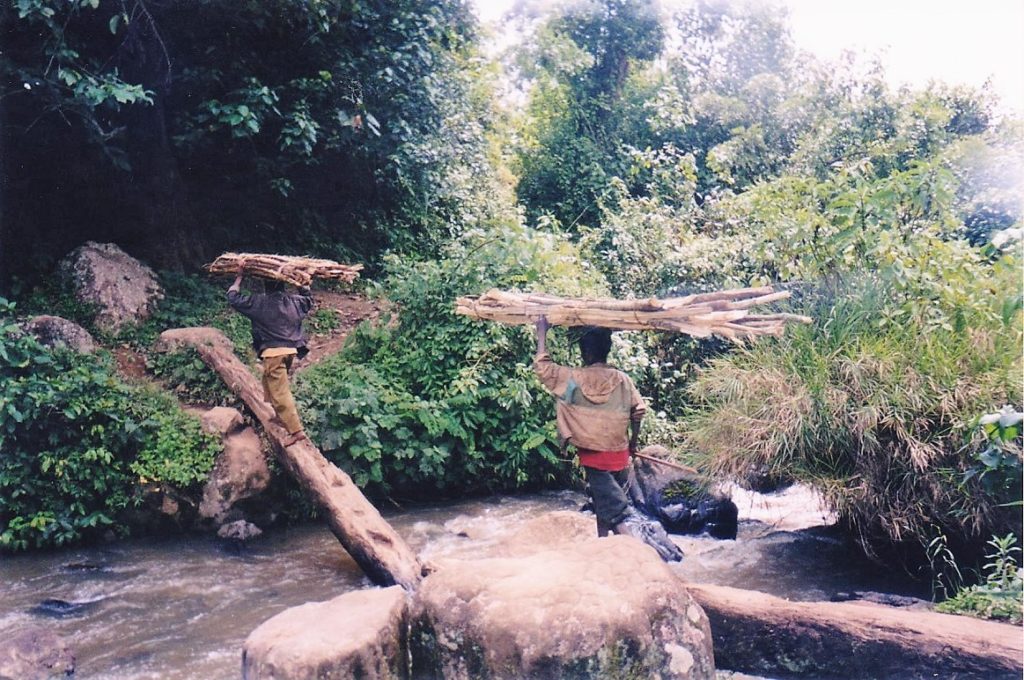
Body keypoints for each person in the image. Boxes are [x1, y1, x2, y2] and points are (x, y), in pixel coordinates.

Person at [533, 316, 682, 562]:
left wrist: (541, 333)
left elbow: (545, 370)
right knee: (605, 501)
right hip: (620, 454)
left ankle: (644, 556)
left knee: (615, 509)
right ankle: (603, 547)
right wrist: (633, 443)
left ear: (586, 351)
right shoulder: (623, 380)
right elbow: (638, 412)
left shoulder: (575, 379)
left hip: (593, 455)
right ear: (607, 349)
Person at [228, 272, 313, 446]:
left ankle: (297, 431)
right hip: (290, 351)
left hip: (273, 353)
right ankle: (279, 416)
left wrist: (239, 277)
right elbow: (308, 299)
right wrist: (302, 283)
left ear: (266, 287)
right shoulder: (294, 302)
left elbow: (233, 297)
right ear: (284, 285)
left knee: (280, 391)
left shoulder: (259, 302)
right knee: (268, 382)